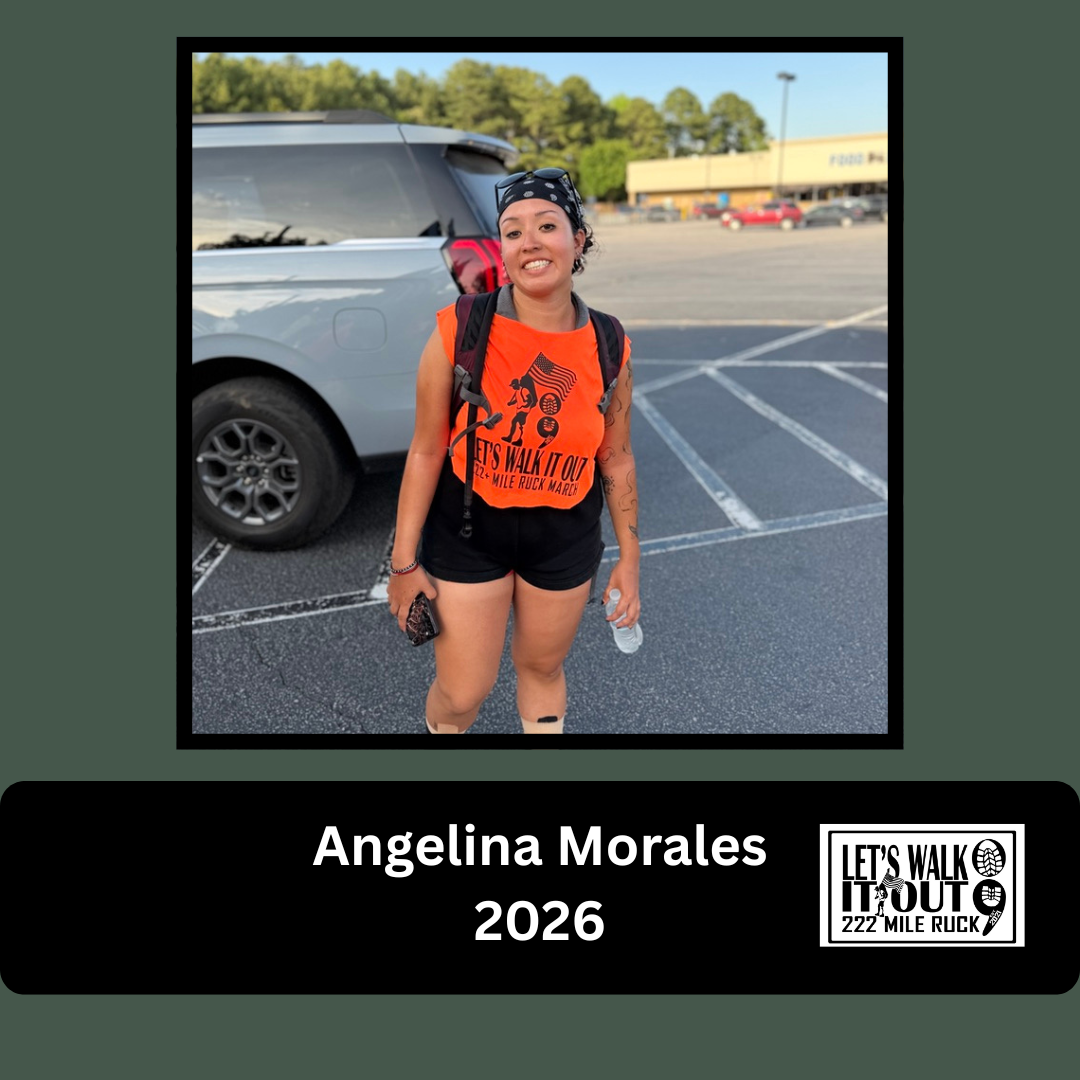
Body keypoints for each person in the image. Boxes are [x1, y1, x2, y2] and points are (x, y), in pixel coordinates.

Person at [386, 167, 640, 734]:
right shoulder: (462, 327)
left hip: (564, 538)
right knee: (461, 692)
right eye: (513, 231)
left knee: (542, 668)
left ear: (578, 241)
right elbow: (426, 451)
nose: (529, 242)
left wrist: (630, 557)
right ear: (502, 248)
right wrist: (403, 563)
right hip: (470, 531)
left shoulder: (609, 342)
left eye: (547, 225)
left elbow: (616, 457)